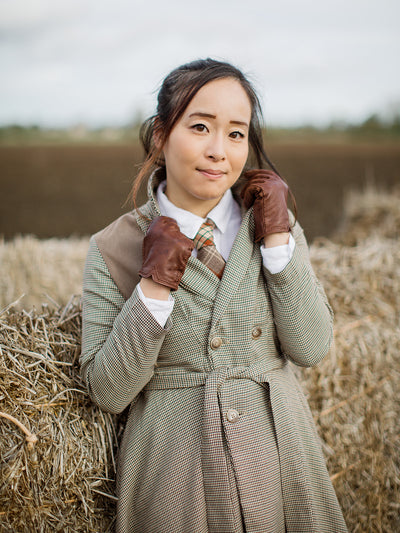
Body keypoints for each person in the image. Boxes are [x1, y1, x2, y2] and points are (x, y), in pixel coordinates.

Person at [80, 58, 348, 533]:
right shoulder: (112, 247)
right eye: (200, 126)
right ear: (162, 134)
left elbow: (311, 347)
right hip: (176, 482)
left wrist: (280, 245)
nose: (218, 151)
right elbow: (108, 392)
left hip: (280, 464)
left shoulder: (272, 223)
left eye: (236, 133)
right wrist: (154, 285)